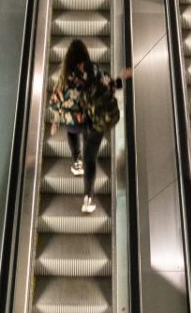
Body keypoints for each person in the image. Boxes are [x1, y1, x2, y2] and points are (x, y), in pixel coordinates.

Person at [47, 39, 131, 215]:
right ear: (85, 54)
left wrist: (56, 121)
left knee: (72, 133)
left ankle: (77, 162)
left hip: (73, 123)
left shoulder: (65, 75)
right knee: (90, 158)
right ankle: (87, 199)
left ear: (69, 57)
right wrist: (122, 77)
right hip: (94, 123)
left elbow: (54, 104)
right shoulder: (94, 69)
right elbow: (112, 86)